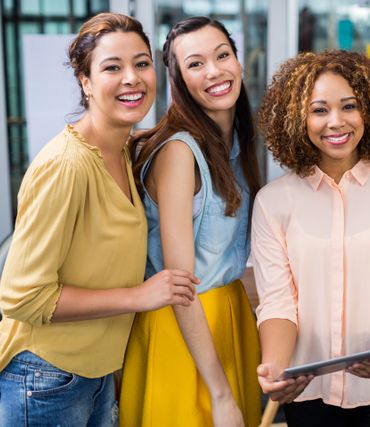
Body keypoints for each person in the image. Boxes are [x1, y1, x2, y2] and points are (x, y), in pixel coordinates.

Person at [0, 12, 199, 427]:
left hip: (95, 373)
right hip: (45, 378)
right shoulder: (66, 166)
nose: (132, 78)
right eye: (112, 67)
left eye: (142, 63)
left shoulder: (124, 151)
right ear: (85, 82)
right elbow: (21, 296)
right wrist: (138, 297)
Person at [253, 50, 370, 426]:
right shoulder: (274, 201)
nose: (335, 122)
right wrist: (275, 369)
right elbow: (278, 303)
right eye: (318, 110)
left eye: (349, 106)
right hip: (311, 393)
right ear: (296, 118)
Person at [119, 17, 262, 427]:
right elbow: (179, 284)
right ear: (178, 79)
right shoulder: (179, 152)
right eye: (195, 64)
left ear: (239, 62)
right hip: (183, 330)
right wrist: (219, 394)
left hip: (230, 317)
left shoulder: (235, 143)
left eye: (222, 55)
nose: (215, 71)